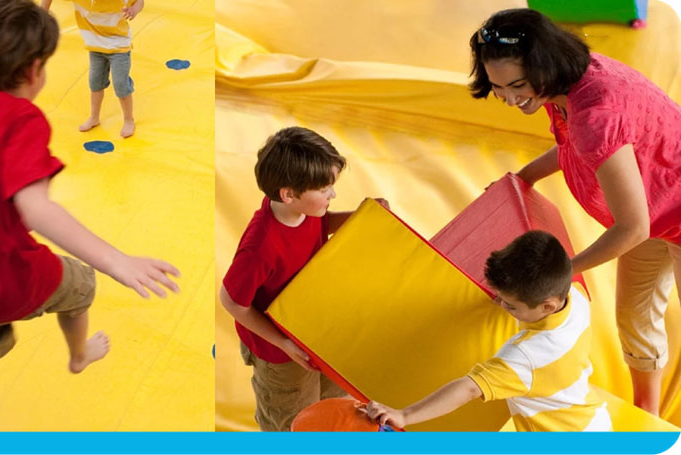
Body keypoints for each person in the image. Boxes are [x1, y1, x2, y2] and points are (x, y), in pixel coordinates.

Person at [0, 0, 178, 428]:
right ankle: (79, 357)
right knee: (82, 285)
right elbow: (35, 207)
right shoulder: (21, 120)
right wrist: (117, 261)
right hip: (4, 277)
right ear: (34, 71)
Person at [470, 8, 681, 415]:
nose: (512, 99)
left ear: (543, 64)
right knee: (634, 316)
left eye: (518, 85)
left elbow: (632, 227)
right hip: (656, 211)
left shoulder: (596, 112)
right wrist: (524, 178)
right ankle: (648, 411)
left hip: (656, 215)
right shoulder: (563, 84)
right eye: (498, 87)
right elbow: (571, 146)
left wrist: (563, 271)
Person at [365, 231, 612, 431]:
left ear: (548, 305)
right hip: (595, 422)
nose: (502, 305)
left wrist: (405, 415)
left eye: (511, 305)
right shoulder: (574, 297)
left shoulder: (525, 357)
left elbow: (469, 387)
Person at [219, 126, 379, 431]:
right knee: (291, 419)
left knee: (333, 404)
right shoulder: (260, 246)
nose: (333, 194)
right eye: (324, 189)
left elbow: (317, 228)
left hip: (314, 328)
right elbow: (232, 301)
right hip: (281, 353)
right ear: (289, 194)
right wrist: (283, 343)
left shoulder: (305, 212)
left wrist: (359, 215)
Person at [42, 0, 144, 137]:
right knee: (95, 83)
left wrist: (134, 10)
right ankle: (94, 117)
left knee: (121, 84)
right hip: (95, 46)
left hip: (119, 46)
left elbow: (139, 1)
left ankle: (128, 119)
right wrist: (43, 13)